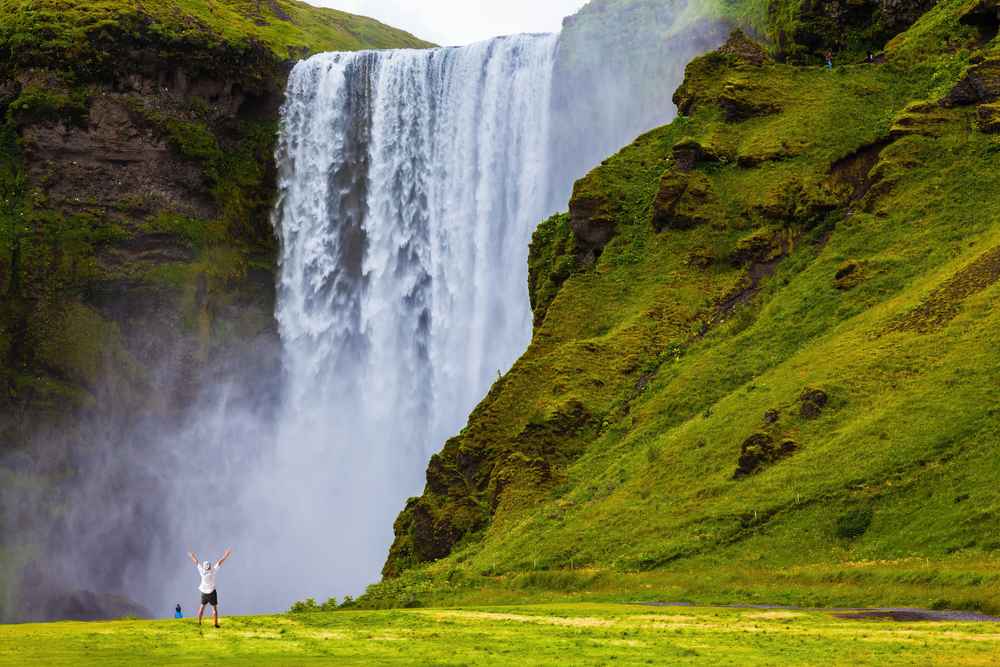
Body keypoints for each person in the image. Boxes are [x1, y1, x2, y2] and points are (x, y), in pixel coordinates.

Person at [188, 548, 232, 628]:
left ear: (204, 567)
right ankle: (215, 624)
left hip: (204, 592)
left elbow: (196, 562)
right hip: (212, 592)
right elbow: (219, 562)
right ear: (210, 567)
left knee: (202, 607)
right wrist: (226, 555)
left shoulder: (202, 572)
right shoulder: (213, 571)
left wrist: (192, 556)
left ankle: (199, 622)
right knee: (214, 609)